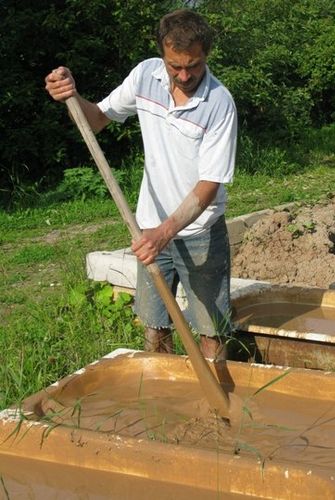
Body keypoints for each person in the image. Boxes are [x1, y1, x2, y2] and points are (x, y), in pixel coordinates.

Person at [45, 9, 237, 360]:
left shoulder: (219, 103)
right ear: (162, 54)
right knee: (155, 326)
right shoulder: (146, 75)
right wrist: (71, 96)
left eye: (192, 65)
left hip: (199, 236)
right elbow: (98, 119)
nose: (183, 75)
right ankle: (161, 402)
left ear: (206, 53)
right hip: (148, 228)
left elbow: (209, 183)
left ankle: (212, 407)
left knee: (210, 330)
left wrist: (163, 234)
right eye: (174, 65)